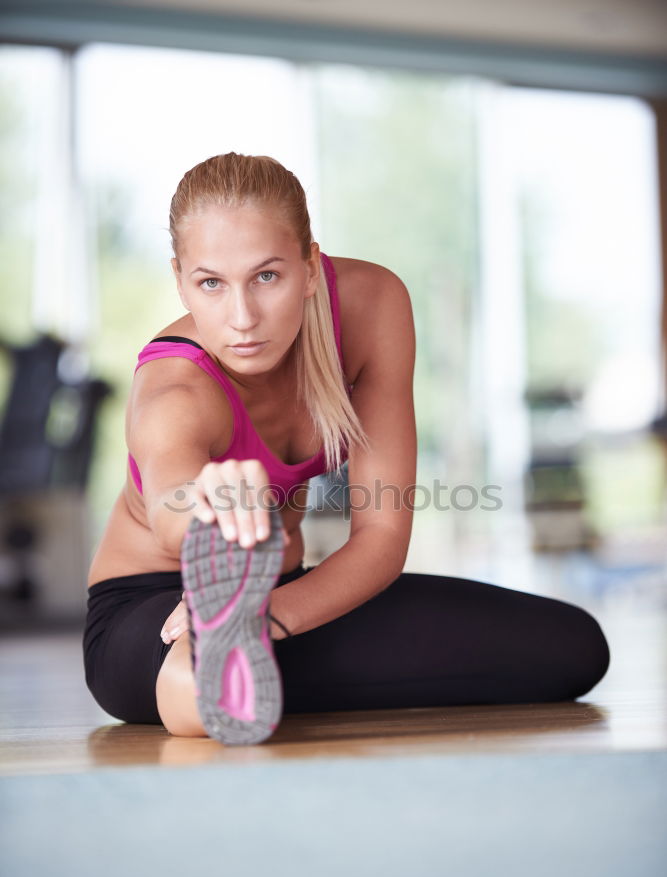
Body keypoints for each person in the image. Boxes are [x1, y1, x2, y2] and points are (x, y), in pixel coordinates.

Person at [83, 151, 610, 745]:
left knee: (570, 648)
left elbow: (381, 538)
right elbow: (169, 509)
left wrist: (265, 616)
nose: (243, 318)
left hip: (291, 597)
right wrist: (211, 512)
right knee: (199, 627)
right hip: (148, 616)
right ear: (179, 278)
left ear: (310, 267)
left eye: (266, 276)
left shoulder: (372, 304)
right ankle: (198, 669)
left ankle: (230, 653)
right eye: (211, 284)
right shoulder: (175, 389)